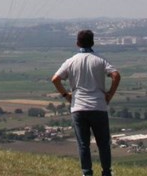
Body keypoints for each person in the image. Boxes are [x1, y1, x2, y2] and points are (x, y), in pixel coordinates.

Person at [51, 29, 121, 176]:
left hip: (78, 107)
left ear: (77, 43)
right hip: (98, 106)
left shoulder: (70, 61)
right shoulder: (100, 60)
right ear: (93, 42)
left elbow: (55, 79)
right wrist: (109, 94)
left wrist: (66, 95)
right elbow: (115, 75)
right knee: (103, 144)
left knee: (83, 144)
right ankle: (106, 172)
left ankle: (87, 173)